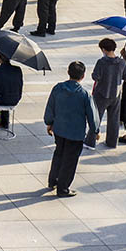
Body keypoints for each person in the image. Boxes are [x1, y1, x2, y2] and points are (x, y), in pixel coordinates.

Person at [43, 60, 99, 198]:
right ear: (83, 75)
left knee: (59, 154)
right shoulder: (84, 94)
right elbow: (92, 115)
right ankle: (63, 188)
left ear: (68, 72)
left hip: (59, 129)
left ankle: (53, 180)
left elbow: (50, 107)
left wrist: (49, 123)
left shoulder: (58, 88)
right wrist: (95, 130)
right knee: (70, 160)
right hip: (75, 133)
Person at [89, 38, 126, 149]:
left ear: (103, 49)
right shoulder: (122, 62)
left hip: (101, 93)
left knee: (96, 117)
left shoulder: (101, 62)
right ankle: (112, 142)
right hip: (115, 95)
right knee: (114, 119)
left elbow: (95, 77)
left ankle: (90, 141)